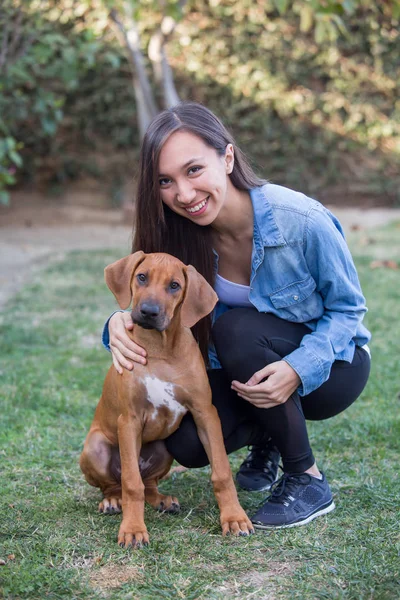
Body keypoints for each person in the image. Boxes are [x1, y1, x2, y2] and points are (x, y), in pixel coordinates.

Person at [102, 102, 371, 530]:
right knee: (187, 444)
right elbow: (146, 290)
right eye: (165, 181)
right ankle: (269, 435)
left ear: (227, 158)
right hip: (243, 370)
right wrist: (115, 323)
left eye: (194, 170)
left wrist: (298, 369)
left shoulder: (301, 220)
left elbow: (349, 311)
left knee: (237, 329)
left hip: (332, 366)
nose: (184, 194)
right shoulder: (178, 233)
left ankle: (306, 478)